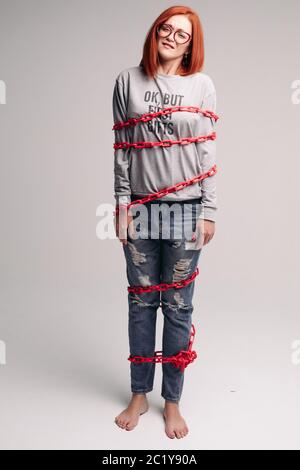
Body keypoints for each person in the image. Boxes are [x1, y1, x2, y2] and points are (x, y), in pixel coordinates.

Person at [112, 5, 218, 439]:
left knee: (177, 308)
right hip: (140, 207)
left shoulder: (202, 85)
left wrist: (210, 210)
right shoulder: (127, 81)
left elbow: (208, 150)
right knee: (141, 303)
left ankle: (171, 402)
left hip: (187, 209)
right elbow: (121, 146)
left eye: (184, 35)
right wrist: (121, 203)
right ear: (155, 31)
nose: (174, 37)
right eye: (167, 28)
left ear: (192, 45)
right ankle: (140, 393)